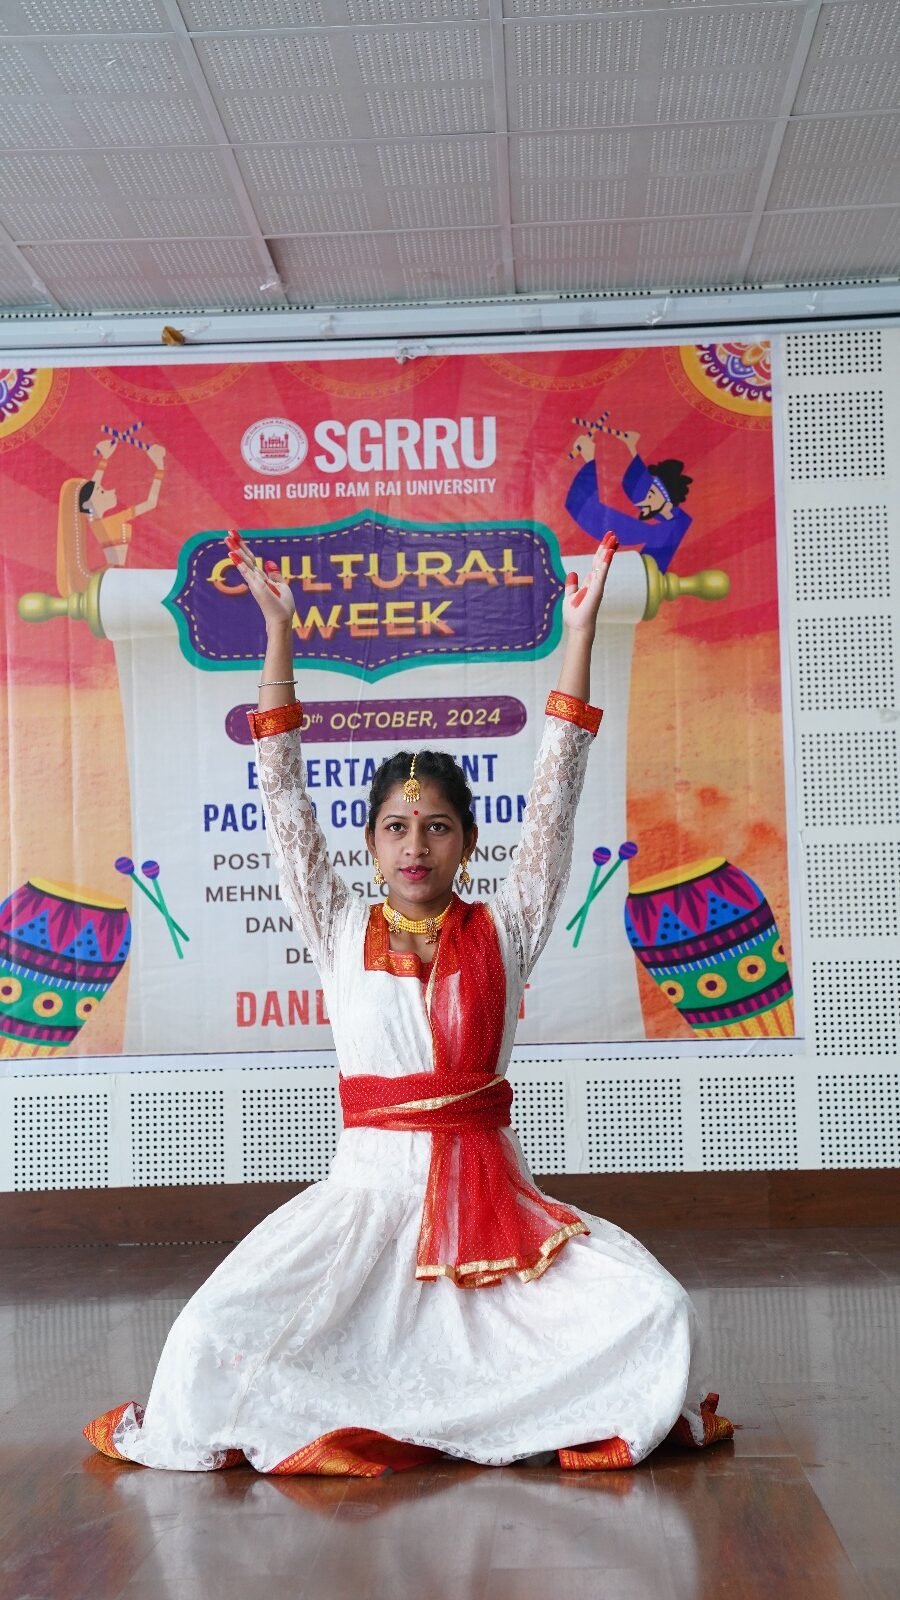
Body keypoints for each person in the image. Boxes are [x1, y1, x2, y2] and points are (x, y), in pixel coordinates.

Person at [83, 529, 731, 1476]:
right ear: (370, 845)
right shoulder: (338, 924)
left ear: (467, 842)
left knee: (657, 1311)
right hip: (361, 1214)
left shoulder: (506, 926)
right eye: (395, 827)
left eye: (435, 827)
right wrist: (278, 635)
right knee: (207, 1341)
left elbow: (556, 790)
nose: (414, 845)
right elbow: (282, 792)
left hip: (490, 1215)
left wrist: (581, 633)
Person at [566, 424, 692, 574]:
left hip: (643, 580)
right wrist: (632, 447)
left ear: (668, 503)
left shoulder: (657, 532)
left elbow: (589, 512)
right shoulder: (677, 517)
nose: (643, 499)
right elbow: (643, 489)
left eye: (651, 494)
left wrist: (589, 460)